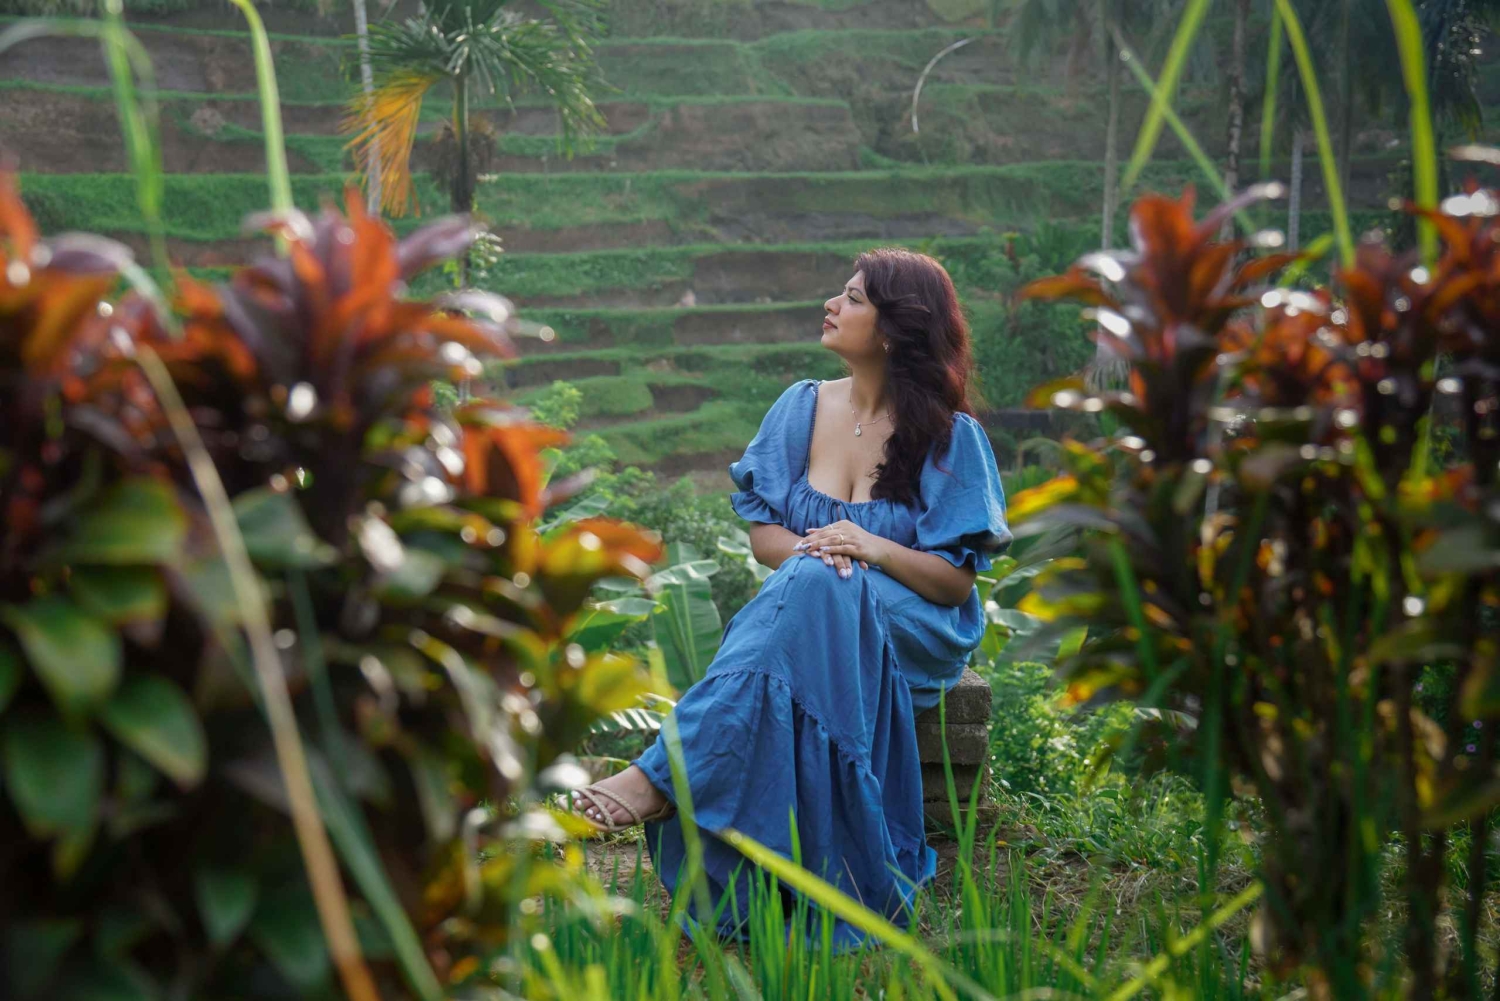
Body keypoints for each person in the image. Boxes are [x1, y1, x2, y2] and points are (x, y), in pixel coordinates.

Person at [569, 247, 1012, 950]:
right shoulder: (802, 406)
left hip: (913, 620)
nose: (831, 305)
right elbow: (764, 537)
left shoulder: (951, 436)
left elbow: (954, 581)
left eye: (853, 298)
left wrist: (870, 549)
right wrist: (824, 556)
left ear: (894, 329)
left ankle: (663, 775)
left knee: (813, 584)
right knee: (812, 582)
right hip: (814, 600)